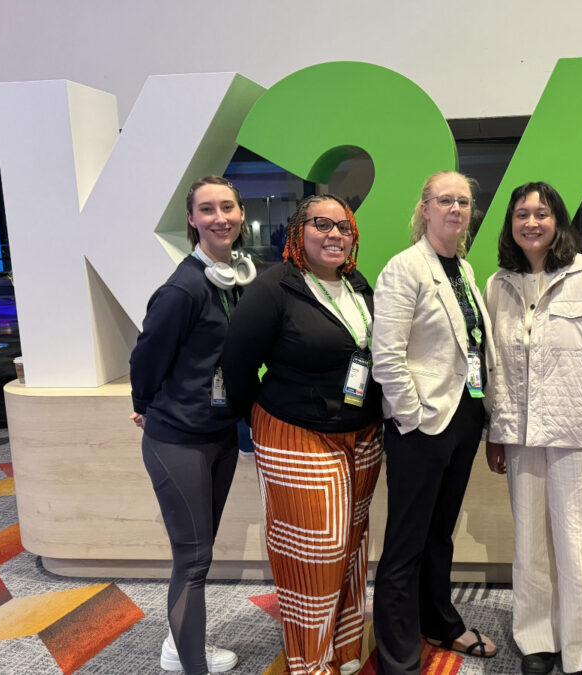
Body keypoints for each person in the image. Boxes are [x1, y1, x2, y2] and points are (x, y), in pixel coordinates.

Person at [221, 194, 383, 675]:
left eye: (344, 226)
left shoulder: (356, 283)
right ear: (298, 231)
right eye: (321, 224)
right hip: (297, 433)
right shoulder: (274, 288)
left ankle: (344, 646)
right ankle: (310, 661)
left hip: (361, 433)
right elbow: (237, 365)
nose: (335, 234)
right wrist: (258, 422)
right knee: (316, 551)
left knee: (352, 543)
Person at [483, 182, 582, 675]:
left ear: (558, 221)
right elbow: (494, 367)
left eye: (541, 213)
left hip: (577, 435)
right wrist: (496, 432)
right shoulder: (498, 283)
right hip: (521, 438)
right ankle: (537, 639)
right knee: (531, 544)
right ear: (511, 223)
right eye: (522, 213)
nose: (531, 222)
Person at [371, 170, 500, 674]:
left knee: (439, 534)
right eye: (445, 200)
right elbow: (387, 356)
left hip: (463, 417)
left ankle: (440, 623)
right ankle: (398, 660)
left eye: (464, 202)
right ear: (424, 209)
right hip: (422, 427)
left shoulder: (463, 270)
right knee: (405, 545)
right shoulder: (404, 269)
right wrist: (415, 417)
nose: (456, 210)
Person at [129, 175, 257, 675]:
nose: (220, 217)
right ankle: (190, 666)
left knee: (199, 552)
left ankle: (176, 646)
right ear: (191, 219)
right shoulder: (182, 289)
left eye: (227, 207)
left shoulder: (240, 280)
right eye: (207, 209)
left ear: (242, 214)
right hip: (178, 438)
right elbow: (146, 358)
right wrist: (146, 402)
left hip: (220, 433)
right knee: (194, 558)